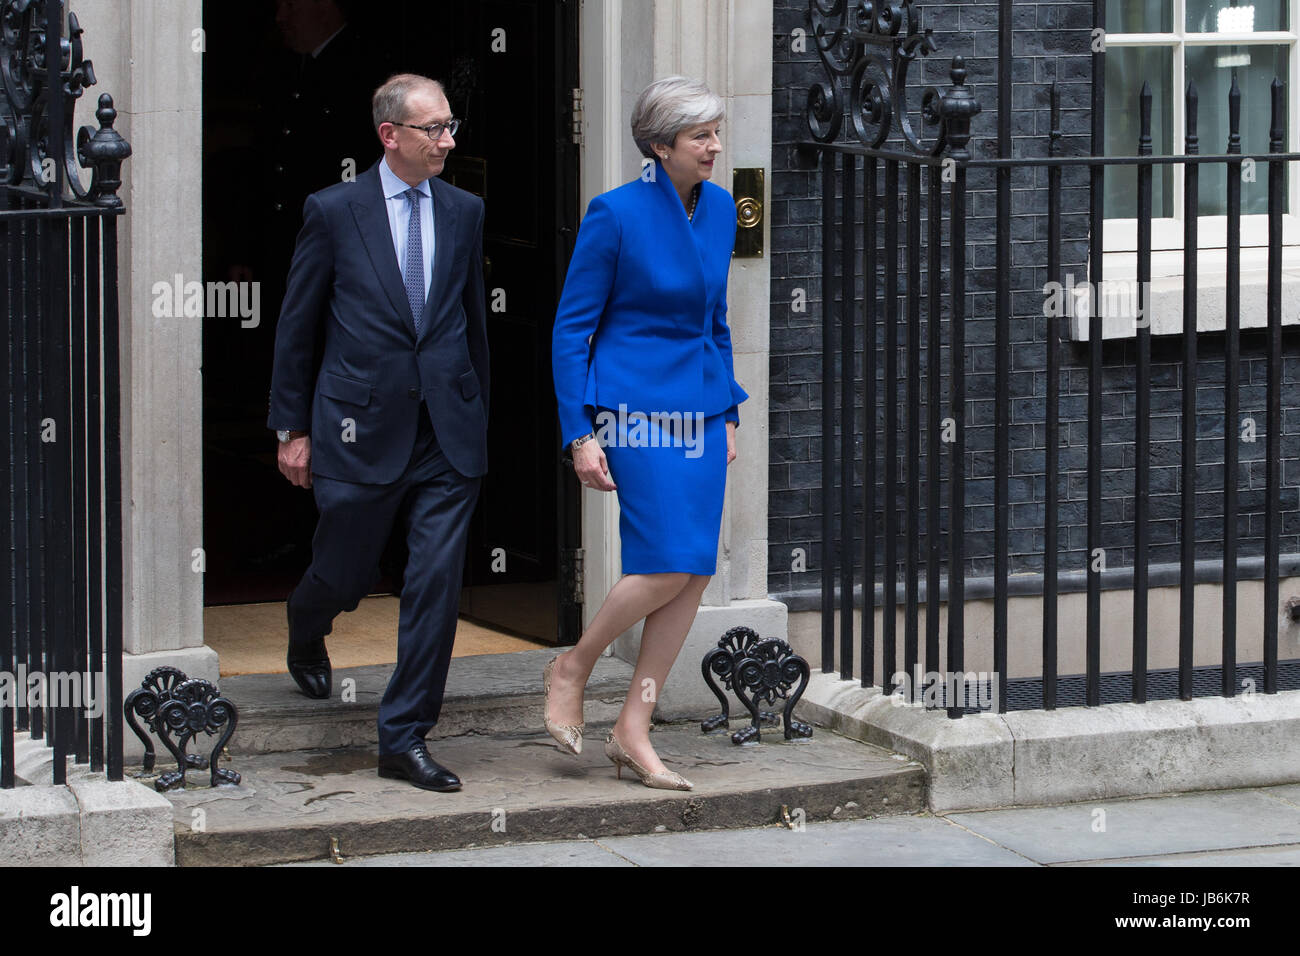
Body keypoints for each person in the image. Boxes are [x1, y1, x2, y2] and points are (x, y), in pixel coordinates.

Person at [267, 74, 488, 793]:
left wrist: (477, 411)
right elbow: (298, 326)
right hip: (356, 429)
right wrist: (291, 429)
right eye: (434, 129)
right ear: (390, 135)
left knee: (434, 584)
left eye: (451, 126)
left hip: (444, 436)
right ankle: (308, 623)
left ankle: (403, 737)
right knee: (347, 573)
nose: (448, 141)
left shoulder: (465, 211)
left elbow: (471, 324)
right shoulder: (334, 212)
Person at [545, 76, 748, 791]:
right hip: (631, 413)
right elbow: (571, 331)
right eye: (701, 136)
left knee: (693, 568)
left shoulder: (722, 210)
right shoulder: (616, 214)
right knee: (663, 561)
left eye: (717, 132)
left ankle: (633, 726)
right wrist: (579, 435)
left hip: (699, 412)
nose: (715, 146)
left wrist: (726, 414)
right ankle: (573, 665)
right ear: (661, 146)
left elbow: (715, 323)